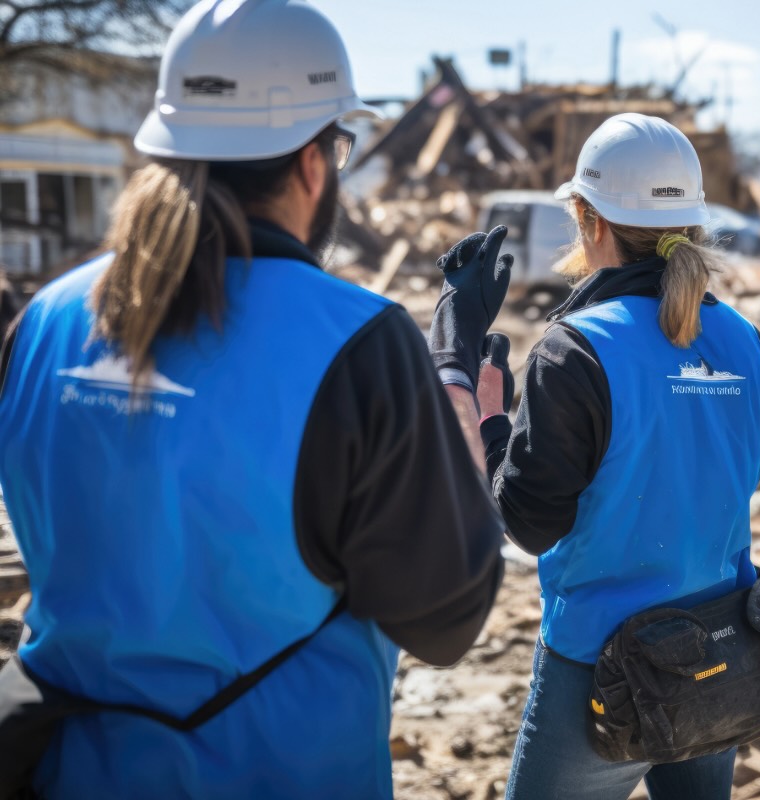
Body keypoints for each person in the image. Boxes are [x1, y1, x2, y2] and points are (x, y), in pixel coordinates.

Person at [0, 1, 504, 797]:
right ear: (313, 162)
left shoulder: (44, 321)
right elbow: (444, 617)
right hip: (280, 772)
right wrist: (454, 390)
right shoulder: (359, 342)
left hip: (71, 770)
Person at [472, 113, 760, 800]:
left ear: (588, 219)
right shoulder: (748, 344)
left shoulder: (575, 349)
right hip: (722, 649)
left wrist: (488, 417)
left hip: (599, 671)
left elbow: (529, 522)